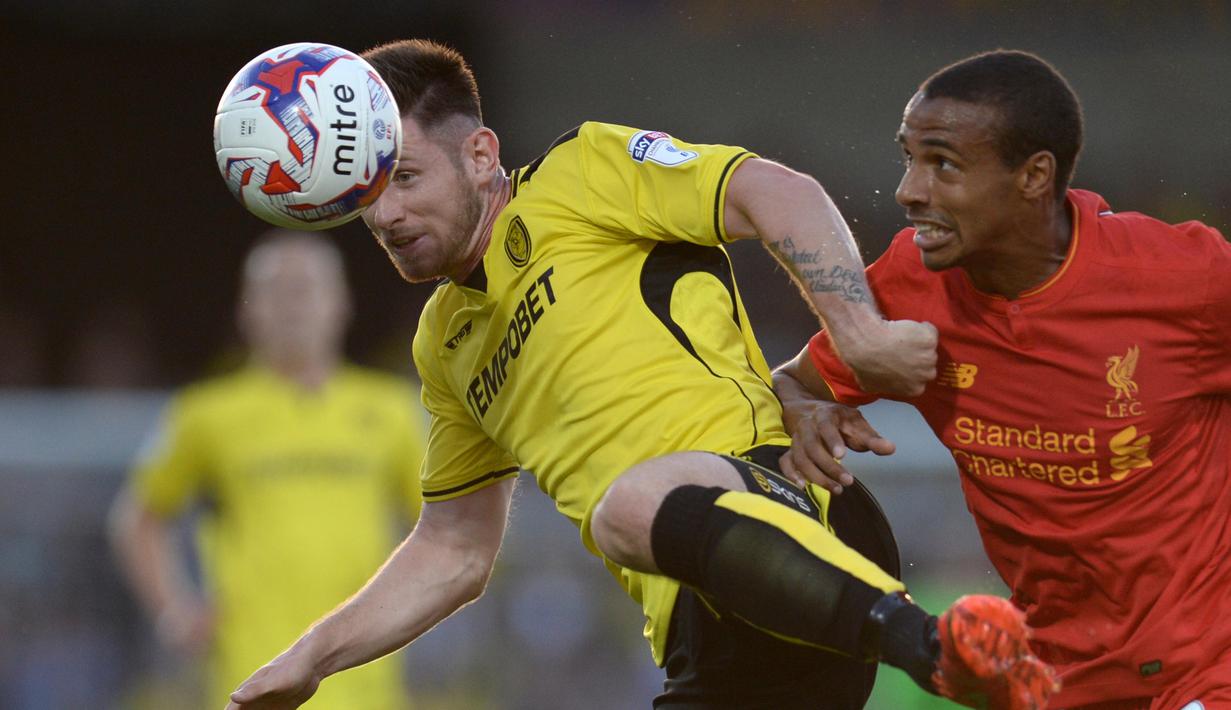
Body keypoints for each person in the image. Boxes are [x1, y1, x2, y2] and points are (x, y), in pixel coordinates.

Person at [226, 39, 1057, 710]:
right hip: (706, 625)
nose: (386, 213)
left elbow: (774, 191)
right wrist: (310, 659)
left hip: (791, 506)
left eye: (404, 177)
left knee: (623, 504)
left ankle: (941, 649)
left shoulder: (580, 175)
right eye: (369, 192)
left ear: (480, 154)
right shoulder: (443, 343)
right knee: (628, 512)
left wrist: (857, 331)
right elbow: (453, 548)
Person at [775, 50, 1231, 709]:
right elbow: (791, 381)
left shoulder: (1181, 278)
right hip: (1052, 683)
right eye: (907, 158)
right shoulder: (909, 285)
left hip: (1209, 668)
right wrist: (800, 407)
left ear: (1032, 176)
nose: (908, 189)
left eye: (942, 165)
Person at [109, 230, 427, 710]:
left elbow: (444, 525)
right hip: (252, 676)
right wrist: (174, 608)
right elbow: (139, 517)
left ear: (341, 303)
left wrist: (414, 610)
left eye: (306, 289)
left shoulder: (393, 411)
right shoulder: (205, 414)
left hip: (367, 679)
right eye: (275, 291)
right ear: (247, 310)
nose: (291, 306)